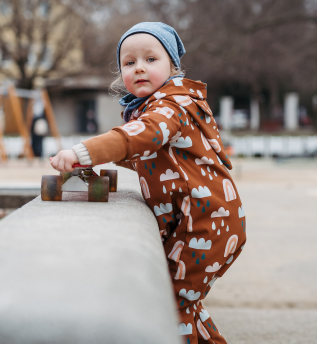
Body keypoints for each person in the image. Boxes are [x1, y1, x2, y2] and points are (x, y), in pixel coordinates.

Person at [50, 22, 246, 344]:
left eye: (150, 59)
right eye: (129, 62)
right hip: (204, 221)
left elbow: (144, 136)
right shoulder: (157, 108)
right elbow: (146, 152)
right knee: (183, 301)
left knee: (172, 306)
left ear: (172, 65)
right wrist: (107, 157)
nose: (139, 67)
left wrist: (83, 153)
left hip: (204, 224)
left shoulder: (172, 105)